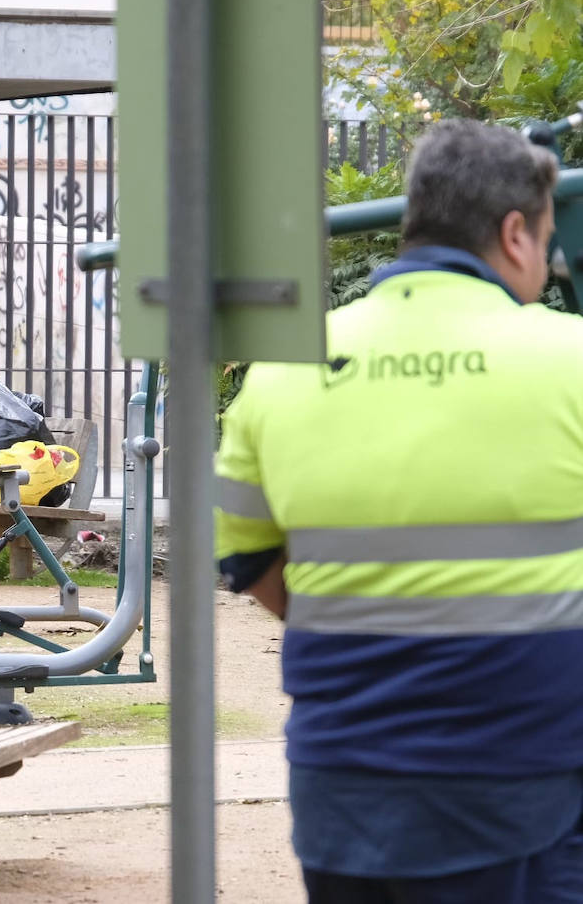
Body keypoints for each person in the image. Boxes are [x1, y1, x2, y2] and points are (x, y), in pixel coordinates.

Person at [215, 119, 583, 903]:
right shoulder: (570, 359)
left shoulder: (285, 367)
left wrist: (369, 617)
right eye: (547, 242)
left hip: (343, 790)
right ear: (514, 231)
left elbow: (247, 561)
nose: (548, 266)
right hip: (527, 783)